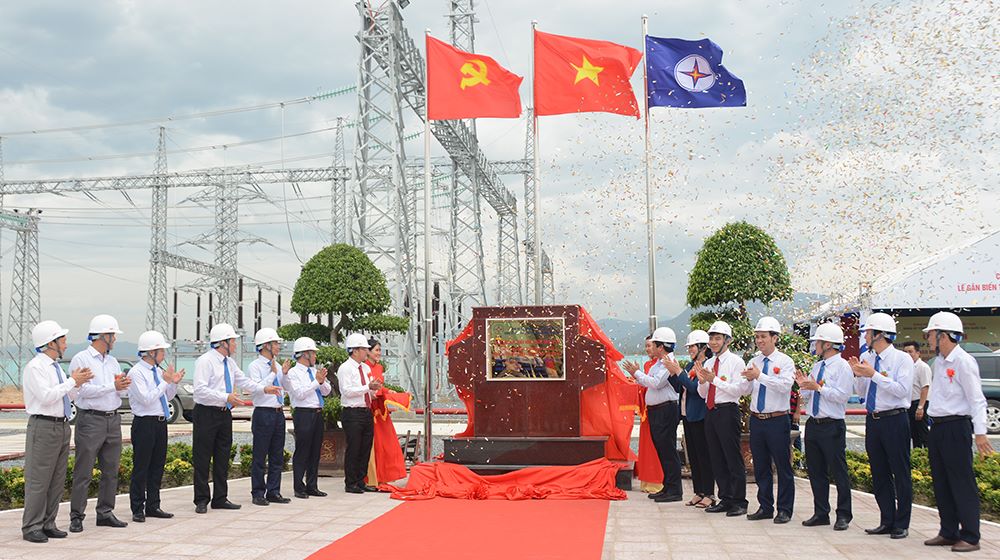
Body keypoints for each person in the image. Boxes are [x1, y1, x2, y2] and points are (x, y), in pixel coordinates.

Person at [922, 312, 994, 553]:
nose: (928, 339)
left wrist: (980, 433)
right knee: (941, 481)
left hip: (956, 427)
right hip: (939, 427)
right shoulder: (940, 362)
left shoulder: (964, 361)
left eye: (931, 334)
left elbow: (977, 400)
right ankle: (948, 531)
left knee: (961, 482)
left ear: (943, 335)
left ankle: (971, 535)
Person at [192, 323, 281, 513]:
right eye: (232, 341)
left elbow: (246, 382)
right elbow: (199, 391)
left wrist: (264, 388)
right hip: (206, 413)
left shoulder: (230, 363)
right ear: (222, 343)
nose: (235, 345)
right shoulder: (205, 361)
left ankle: (220, 498)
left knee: (223, 457)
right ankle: (201, 499)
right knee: (203, 457)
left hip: (224, 414)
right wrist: (225, 397)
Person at [21, 321, 93, 543]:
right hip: (43, 426)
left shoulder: (55, 366)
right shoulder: (36, 367)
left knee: (56, 478)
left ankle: (48, 522)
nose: (65, 343)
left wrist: (77, 385)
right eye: (62, 339)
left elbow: (64, 397)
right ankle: (32, 525)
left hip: (61, 424)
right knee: (39, 479)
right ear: (50, 343)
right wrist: (73, 380)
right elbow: (46, 396)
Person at [849, 312, 914, 539]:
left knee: (900, 471)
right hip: (874, 419)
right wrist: (859, 374)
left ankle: (902, 522)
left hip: (895, 418)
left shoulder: (901, 359)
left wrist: (874, 374)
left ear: (879, 335)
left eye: (868, 332)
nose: (865, 337)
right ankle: (886, 519)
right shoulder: (869, 358)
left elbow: (902, 391)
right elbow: (862, 394)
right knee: (879, 472)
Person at [67, 314, 131, 532]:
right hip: (91, 419)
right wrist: (113, 387)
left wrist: (123, 385)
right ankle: (77, 516)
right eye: (113, 335)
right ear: (103, 336)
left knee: (111, 470)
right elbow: (82, 391)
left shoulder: (112, 361)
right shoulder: (81, 359)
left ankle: (105, 512)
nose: (115, 339)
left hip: (112, 418)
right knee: (83, 470)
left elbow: (115, 388)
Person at [796, 322, 853, 531]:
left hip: (832, 424)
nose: (815, 345)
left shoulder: (843, 367)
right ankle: (821, 512)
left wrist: (818, 387)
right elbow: (809, 395)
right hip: (814, 423)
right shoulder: (817, 366)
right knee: (816, 470)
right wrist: (804, 386)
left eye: (818, 342)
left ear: (828, 344)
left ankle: (844, 514)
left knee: (838, 471)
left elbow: (842, 396)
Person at [742, 317, 796, 524]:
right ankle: (765, 506)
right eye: (757, 337)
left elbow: (784, 386)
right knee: (761, 465)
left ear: (775, 338)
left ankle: (784, 509)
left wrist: (759, 376)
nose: (759, 340)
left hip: (777, 419)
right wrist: (746, 379)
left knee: (782, 466)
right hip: (757, 419)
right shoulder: (754, 361)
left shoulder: (785, 361)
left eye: (763, 336)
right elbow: (747, 389)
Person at [127, 330, 184, 523]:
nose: (164, 354)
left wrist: (173, 384)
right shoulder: (136, 372)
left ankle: (153, 505)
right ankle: (137, 507)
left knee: (157, 466)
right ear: (151, 352)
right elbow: (145, 399)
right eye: (161, 351)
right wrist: (165, 383)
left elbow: (165, 397)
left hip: (160, 423)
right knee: (141, 467)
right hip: (144, 423)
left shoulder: (158, 372)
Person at [623, 327, 684, 502]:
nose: (652, 348)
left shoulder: (668, 362)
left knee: (668, 450)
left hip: (666, 410)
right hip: (658, 410)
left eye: (655, 344)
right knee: (662, 451)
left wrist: (636, 373)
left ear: (661, 346)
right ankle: (667, 486)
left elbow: (656, 383)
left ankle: (674, 490)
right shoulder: (659, 362)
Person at [695, 320, 749, 517]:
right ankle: (725, 498)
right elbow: (703, 394)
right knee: (716, 457)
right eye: (711, 338)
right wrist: (702, 382)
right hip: (711, 411)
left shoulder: (736, 362)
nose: (713, 342)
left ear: (727, 340)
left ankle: (740, 500)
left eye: (717, 338)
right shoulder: (709, 363)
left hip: (727, 410)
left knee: (732, 457)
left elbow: (738, 390)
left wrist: (713, 380)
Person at [246, 328, 292, 506]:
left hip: (278, 412)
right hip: (263, 412)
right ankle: (258, 492)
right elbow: (256, 388)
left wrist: (284, 373)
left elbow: (285, 388)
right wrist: (273, 373)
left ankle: (274, 491)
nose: (278, 346)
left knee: (276, 455)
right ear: (265, 345)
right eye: (275, 343)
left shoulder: (277, 365)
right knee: (260, 454)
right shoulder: (255, 366)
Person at [286, 336, 332, 499]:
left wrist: (322, 381)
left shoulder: (314, 371)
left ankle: (312, 485)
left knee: (315, 451)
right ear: (305, 354)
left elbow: (326, 392)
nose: (315, 356)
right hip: (303, 413)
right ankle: (299, 487)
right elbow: (299, 394)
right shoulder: (293, 373)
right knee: (302, 451)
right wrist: (316, 382)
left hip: (318, 413)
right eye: (313, 353)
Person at [338, 333, 382, 494]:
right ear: (355, 350)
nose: (366, 352)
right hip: (352, 412)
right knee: (354, 447)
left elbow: (367, 389)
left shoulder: (365, 368)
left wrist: (373, 390)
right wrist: (367, 388)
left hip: (365, 410)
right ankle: (350, 482)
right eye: (364, 349)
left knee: (365, 447)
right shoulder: (345, 368)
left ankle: (360, 480)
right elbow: (347, 391)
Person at [677, 330, 716, 508]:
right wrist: (674, 373)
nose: (690, 349)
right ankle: (698, 492)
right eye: (689, 347)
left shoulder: (708, 365)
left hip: (700, 416)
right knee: (693, 456)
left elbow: (695, 389)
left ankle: (709, 493)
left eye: (692, 346)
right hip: (687, 415)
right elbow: (680, 387)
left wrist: (679, 373)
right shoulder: (689, 365)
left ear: (702, 347)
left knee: (704, 455)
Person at [365, 338, 408, 487]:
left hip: (380, 409)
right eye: (376, 350)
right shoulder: (364, 368)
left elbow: (380, 387)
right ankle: (372, 477)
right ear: (368, 351)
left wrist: (388, 391)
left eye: (379, 350)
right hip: (370, 407)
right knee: (374, 443)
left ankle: (383, 475)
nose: (379, 353)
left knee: (387, 442)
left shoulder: (379, 367)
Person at [632, 335, 664, 495]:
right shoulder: (647, 365)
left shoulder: (664, 365)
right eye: (646, 346)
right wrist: (636, 378)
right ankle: (647, 480)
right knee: (646, 445)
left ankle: (657, 481)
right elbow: (644, 385)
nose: (648, 349)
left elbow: (653, 384)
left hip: (657, 409)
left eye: (650, 345)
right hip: (647, 410)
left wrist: (639, 376)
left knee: (656, 445)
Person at [902, 341, 931, 448]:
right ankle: (916, 454)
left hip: (919, 403)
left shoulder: (923, 367)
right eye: (905, 352)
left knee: (923, 433)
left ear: (918, 353)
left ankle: (927, 456)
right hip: (908, 404)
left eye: (911, 351)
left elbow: (925, 387)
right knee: (913, 434)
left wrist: (920, 407)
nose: (908, 354)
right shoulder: (905, 367)